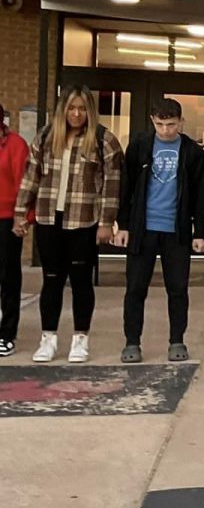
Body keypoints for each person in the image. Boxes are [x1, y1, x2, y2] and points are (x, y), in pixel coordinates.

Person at [13, 86, 123, 364]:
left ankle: (80, 339)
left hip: (84, 221)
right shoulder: (47, 136)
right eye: (71, 108)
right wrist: (20, 214)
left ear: (89, 110)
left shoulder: (103, 140)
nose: (76, 114)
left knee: (81, 282)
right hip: (49, 219)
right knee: (51, 281)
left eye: (82, 108)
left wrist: (106, 223)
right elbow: (30, 177)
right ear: (63, 110)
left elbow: (112, 185)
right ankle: (48, 339)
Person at [115, 98, 204, 363]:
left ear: (181, 122)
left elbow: (200, 194)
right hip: (142, 228)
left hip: (176, 230)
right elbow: (127, 188)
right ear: (152, 121)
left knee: (177, 288)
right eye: (160, 124)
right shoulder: (139, 147)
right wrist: (123, 225)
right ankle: (132, 342)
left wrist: (199, 232)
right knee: (135, 288)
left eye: (170, 124)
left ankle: (177, 340)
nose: (165, 130)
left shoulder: (193, 152)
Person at [0, 104, 30, 358]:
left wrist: (24, 218)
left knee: (7, 276)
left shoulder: (16, 145)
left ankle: (7, 333)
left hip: (7, 218)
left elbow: (25, 183)